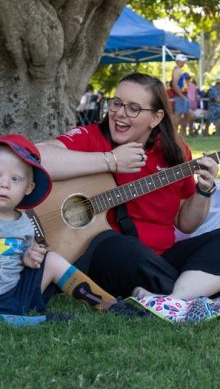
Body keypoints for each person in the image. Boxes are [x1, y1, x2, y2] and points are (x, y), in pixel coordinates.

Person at [37, 72, 220, 300]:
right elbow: (36, 158)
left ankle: (171, 298)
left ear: (156, 117)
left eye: (133, 108)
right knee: (119, 247)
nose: (120, 114)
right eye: (117, 103)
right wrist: (110, 160)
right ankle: (194, 287)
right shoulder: (92, 138)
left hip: (161, 258)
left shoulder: (176, 152)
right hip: (112, 257)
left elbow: (186, 224)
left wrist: (205, 190)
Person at [0, 134, 143, 317]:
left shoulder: (25, 223)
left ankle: (110, 305)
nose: (4, 184)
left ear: (29, 188)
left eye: (15, 179)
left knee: (51, 260)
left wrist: (30, 257)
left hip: (15, 296)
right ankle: (30, 320)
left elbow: (22, 258)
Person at [171, 54, 195, 137]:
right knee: (178, 115)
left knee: (186, 114)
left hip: (182, 95)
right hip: (179, 96)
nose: (184, 63)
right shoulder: (177, 70)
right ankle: (174, 134)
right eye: (182, 61)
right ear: (178, 61)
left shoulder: (179, 70)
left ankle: (182, 133)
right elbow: (174, 84)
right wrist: (181, 95)